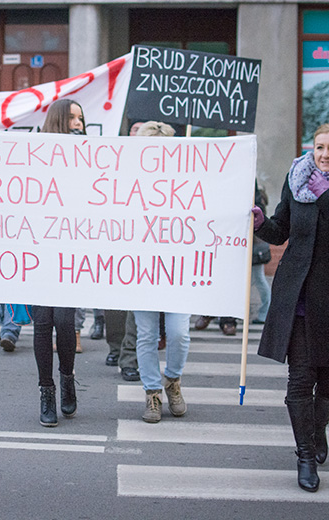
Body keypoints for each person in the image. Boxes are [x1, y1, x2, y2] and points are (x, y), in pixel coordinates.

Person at [252, 121, 329, 492]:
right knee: (300, 381)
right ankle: (305, 454)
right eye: (319, 147)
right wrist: (260, 222)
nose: (324, 155)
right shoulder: (297, 176)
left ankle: (316, 429)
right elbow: (281, 229)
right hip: (298, 294)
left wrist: (327, 195)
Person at [132, 121, 191, 424]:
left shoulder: (188, 181)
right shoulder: (128, 183)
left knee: (180, 333)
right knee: (147, 335)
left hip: (177, 269)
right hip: (141, 269)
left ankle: (173, 380)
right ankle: (152, 392)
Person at [31, 98, 83, 427]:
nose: (79, 122)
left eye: (81, 117)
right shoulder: (35, 154)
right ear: (60, 120)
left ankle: (67, 378)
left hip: (73, 249)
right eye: (73, 118)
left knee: (65, 321)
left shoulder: (90, 154)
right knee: (41, 324)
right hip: (39, 250)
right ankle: (46, 390)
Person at [250, 183, 272, 324]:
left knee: (259, 278)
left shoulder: (255, 194)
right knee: (258, 279)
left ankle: (265, 312)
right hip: (254, 244)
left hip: (255, 244)